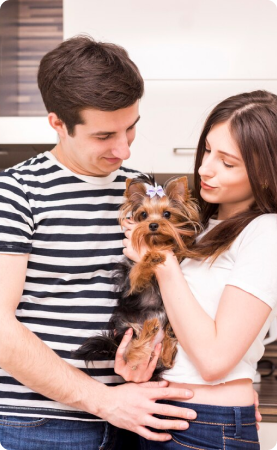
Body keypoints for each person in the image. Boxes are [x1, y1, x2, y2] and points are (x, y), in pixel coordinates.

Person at [0, 35, 201, 450]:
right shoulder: (16, 192)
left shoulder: (146, 192)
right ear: (58, 123)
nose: (124, 148)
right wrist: (104, 402)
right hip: (39, 427)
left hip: (137, 417)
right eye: (104, 135)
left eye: (132, 127)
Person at [121, 90, 277, 449]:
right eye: (208, 150)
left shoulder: (266, 231)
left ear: (266, 174)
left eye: (228, 162)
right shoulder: (200, 229)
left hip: (203, 426)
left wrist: (159, 262)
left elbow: (213, 361)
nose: (205, 168)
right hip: (154, 416)